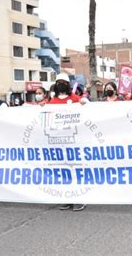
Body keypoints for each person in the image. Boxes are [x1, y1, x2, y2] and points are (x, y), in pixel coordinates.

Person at [49, 73, 85, 211]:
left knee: (76, 169)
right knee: (63, 170)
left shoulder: (74, 98)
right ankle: (67, 198)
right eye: (59, 82)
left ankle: (80, 198)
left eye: (64, 82)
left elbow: (86, 107)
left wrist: (83, 103)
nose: (61, 84)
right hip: (58, 141)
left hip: (73, 141)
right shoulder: (52, 101)